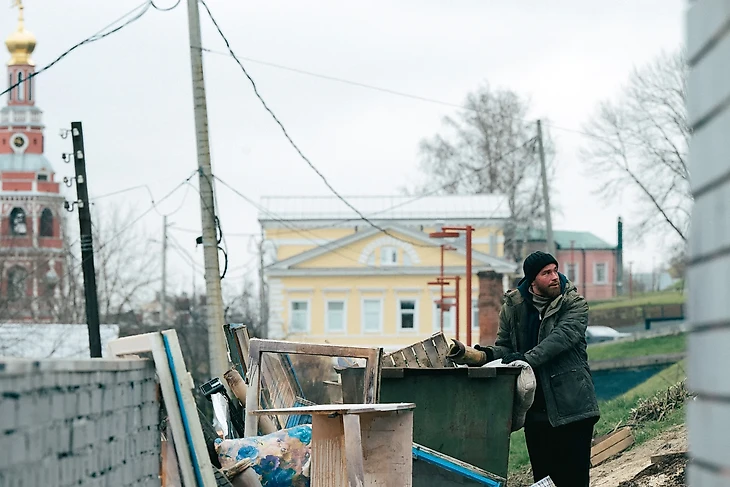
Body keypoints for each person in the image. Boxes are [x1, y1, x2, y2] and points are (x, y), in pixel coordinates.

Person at [477, 251, 600, 486]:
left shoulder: (574, 303)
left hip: (572, 407)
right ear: (532, 280)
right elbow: (506, 347)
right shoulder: (513, 307)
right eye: (546, 273)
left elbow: (560, 339)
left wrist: (524, 359)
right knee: (544, 482)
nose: (554, 277)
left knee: (573, 481)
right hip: (535, 412)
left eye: (555, 270)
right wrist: (485, 355)